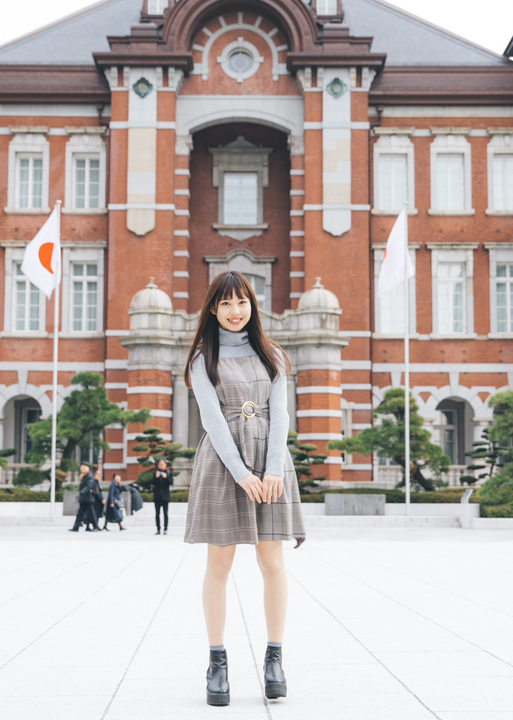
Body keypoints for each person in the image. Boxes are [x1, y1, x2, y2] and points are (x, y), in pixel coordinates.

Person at [183, 271, 305, 706]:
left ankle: (275, 658)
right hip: (224, 465)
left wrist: (272, 470)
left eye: (243, 303)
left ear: (253, 306)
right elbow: (212, 422)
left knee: (272, 561)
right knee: (219, 563)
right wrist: (241, 473)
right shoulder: (203, 358)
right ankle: (217, 662)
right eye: (226, 304)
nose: (236, 312)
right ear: (213, 309)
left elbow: (282, 415)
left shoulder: (271, 354)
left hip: (270, 465)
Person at [69, 464, 100, 532]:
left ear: (88, 468)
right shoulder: (84, 476)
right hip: (84, 498)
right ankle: (76, 527)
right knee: (80, 514)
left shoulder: (89, 476)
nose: (82, 468)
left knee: (91, 513)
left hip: (88, 498)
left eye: (84, 467)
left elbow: (89, 486)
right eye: (81, 467)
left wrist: (81, 493)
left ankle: (96, 527)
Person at [151, 457, 173, 535]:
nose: (161, 466)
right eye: (160, 465)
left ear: (165, 465)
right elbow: (152, 483)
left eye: (162, 464)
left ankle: (165, 529)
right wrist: (156, 478)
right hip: (157, 496)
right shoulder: (155, 473)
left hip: (165, 497)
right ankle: (158, 529)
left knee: (165, 513)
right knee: (157, 514)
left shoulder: (168, 473)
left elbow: (171, 482)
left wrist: (166, 477)